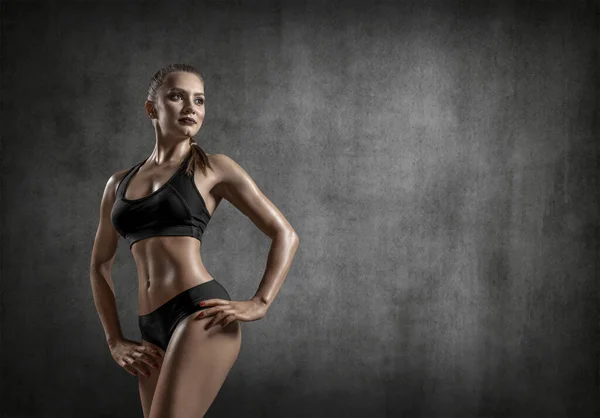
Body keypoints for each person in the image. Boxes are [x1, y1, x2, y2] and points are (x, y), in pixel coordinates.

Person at [89, 63, 299, 418]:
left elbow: (285, 234)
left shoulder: (214, 168)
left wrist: (260, 302)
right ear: (151, 108)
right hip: (150, 325)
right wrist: (114, 340)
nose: (191, 107)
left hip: (200, 314)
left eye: (199, 100)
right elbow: (99, 265)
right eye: (177, 96)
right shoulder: (118, 184)